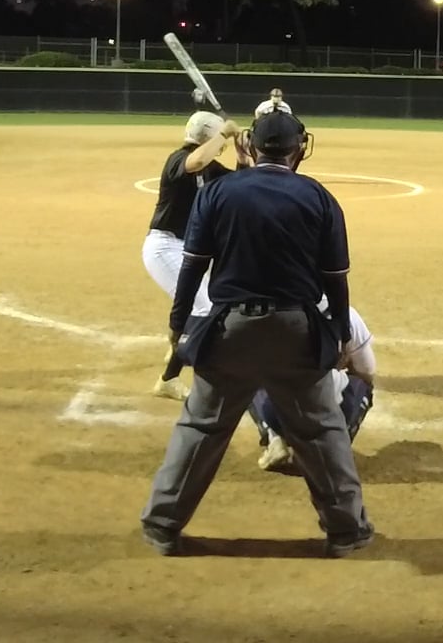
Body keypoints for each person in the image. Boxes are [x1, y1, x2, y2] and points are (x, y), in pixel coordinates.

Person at [140, 110, 373, 558]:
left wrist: (178, 325)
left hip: (229, 330)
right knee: (321, 432)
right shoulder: (318, 197)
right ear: (298, 149)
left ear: (249, 145)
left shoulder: (219, 191)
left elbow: (192, 267)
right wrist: (341, 333)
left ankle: (162, 526)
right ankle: (346, 531)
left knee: (200, 428)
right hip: (296, 331)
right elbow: (335, 279)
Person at [141, 110, 246, 400]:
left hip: (187, 249)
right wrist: (224, 133)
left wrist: (241, 155)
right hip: (164, 247)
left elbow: (240, 186)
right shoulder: (178, 159)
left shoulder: (210, 168)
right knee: (204, 306)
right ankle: (169, 379)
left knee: (208, 303)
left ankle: (178, 347)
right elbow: (196, 161)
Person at [255, 304, 374, 472]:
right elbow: (367, 372)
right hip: (328, 418)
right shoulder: (346, 315)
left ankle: (274, 437)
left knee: (251, 376)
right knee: (363, 385)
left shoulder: (267, 312)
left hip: (278, 416)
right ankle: (334, 449)